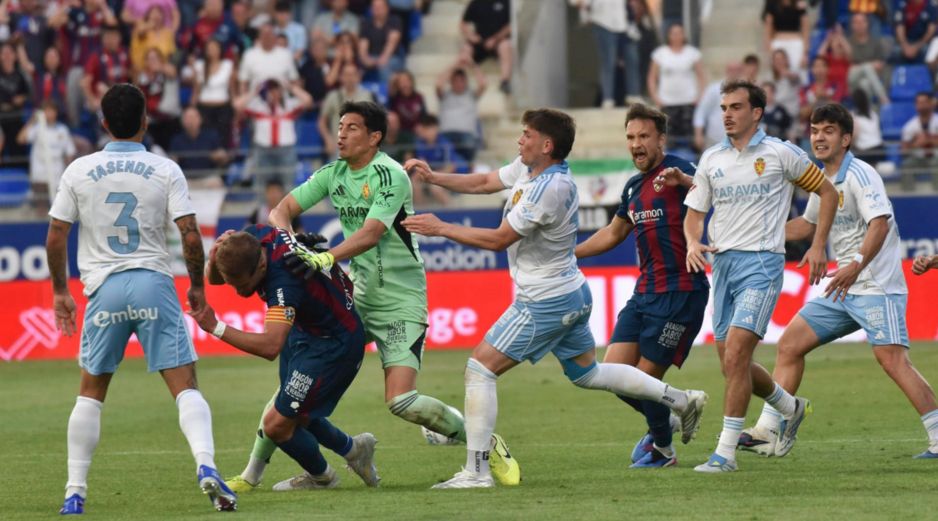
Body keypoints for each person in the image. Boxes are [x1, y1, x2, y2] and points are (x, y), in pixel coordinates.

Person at [401, 108, 708, 488]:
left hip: (545, 300)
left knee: (479, 369)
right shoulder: (528, 171)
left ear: (546, 145)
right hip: (568, 293)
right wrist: (435, 178)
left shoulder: (552, 188)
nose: (520, 139)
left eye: (526, 134)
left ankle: (477, 472)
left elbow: (499, 239)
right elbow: (484, 182)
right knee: (589, 373)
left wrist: (441, 227)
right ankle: (679, 399)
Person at [224, 101, 521, 492]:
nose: (341, 134)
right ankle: (251, 474)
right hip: (357, 295)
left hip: (401, 297)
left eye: (351, 128)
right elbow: (281, 211)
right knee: (293, 385)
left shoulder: (391, 175)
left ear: (374, 137)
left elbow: (372, 232)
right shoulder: (332, 174)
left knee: (401, 401)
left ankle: (484, 442)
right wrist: (291, 240)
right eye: (340, 126)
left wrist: (324, 257)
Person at [46, 83, 236, 514]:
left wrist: (61, 291)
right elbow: (189, 233)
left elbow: (57, 235)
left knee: (90, 394)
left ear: (103, 123)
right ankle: (206, 466)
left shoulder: (78, 170)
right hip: (153, 281)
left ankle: (74, 492)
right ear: (145, 122)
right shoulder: (166, 169)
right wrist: (198, 287)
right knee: (185, 387)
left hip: (104, 290)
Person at [740, 103, 938, 461]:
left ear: (846, 139)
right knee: (789, 346)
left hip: (876, 285)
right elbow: (808, 225)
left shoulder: (862, 175)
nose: (819, 137)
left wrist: (856, 265)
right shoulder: (822, 179)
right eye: (815, 130)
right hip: (842, 288)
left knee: (893, 362)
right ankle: (770, 429)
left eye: (828, 130)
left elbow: (879, 223)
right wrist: (759, 234)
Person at [683, 79, 838, 473]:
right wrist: (691, 241)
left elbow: (829, 193)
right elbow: (695, 213)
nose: (727, 115)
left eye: (736, 107)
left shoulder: (780, 154)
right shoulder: (711, 159)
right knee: (729, 361)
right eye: (723, 108)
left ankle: (725, 454)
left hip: (763, 264)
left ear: (756, 112)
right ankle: (790, 405)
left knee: (736, 354)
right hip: (725, 267)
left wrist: (818, 245)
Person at [190, 225, 381, 490]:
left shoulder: (284, 281)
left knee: (277, 425)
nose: (237, 292)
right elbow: (216, 279)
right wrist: (215, 255)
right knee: (297, 415)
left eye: (242, 284)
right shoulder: (253, 239)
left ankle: (323, 478)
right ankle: (353, 450)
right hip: (307, 332)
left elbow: (270, 346)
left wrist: (216, 327)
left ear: (259, 268)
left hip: (333, 346)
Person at [575, 103, 710, 468]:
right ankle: (676, 407)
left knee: (645, 380)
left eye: (644, 136)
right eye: (631, 137)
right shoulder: (634, 186)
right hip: (644, 293)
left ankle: (664, 449)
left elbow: (714, 192)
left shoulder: (681, 169)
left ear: (661, 139)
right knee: (613, 376)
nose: (636, 144)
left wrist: (686, 182)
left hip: (681, 291)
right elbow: (613, 233)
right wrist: (571, 254)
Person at [647, 24, 705, 143]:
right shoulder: (660, 53)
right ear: (668, 36)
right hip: (667, 103)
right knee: (666, 138)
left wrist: (699, 97)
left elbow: (701, 76)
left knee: (690, 139)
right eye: (673, 33)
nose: (677, 36)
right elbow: (652, 77)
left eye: (680, 33)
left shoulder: (692, 53)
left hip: (689, 102)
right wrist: (656, 98)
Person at [18, 101, 76, 212]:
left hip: (57, 175)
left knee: (59, 211)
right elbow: (21, 139)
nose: (49, 113)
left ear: (56, 112)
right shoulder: (36, 128)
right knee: (41, 210)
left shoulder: (62, 129)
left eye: (52, 110)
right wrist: (33, 120)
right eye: (46, 111)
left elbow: (70, 152)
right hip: (39, 175)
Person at [460, 0, 512, 94]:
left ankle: (505, 81)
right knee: (466, 49)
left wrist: (495, 39)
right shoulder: (476, 2)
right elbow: (463, 24)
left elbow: (510, 26)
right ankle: (461, 82)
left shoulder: (505, 2)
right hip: (479, 41)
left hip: (498, 41)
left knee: (505, 45)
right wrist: (471, 36)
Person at [900, 91, 938, 190]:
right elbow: (903, 151)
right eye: (918, 103)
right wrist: (916, 144)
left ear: (931, 103)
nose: (921, 105)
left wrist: (931, 141)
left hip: (936, 157)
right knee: (906, 165)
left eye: (924, 102)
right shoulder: (910, 126)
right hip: (918, 158)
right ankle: (908, 197)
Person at [762, 0, 809, 74]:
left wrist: (805, 53)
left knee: (797, 72)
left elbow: (805, 27)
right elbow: (768, 27)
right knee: (777, 74)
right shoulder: (772, 3)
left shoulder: (799, 2)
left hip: (796, 44)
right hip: (778, 43)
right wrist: (769, 50)